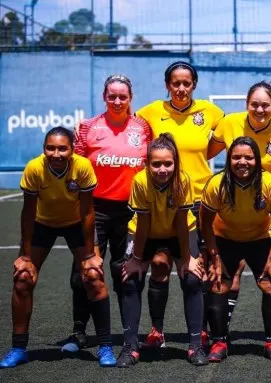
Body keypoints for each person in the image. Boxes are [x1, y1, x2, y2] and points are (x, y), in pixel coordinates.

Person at [0, 127, 115, 368]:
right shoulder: (34, 168)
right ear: (44, 149)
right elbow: (28, 212)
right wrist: (25, 255)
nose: (56, 153)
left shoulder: (82, 167)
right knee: (22, 278)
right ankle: (18, 348)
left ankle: (105, 346)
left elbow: (87, 212)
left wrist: (91, 252)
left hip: (76, 224)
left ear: (72, 150)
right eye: (50, 148)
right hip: (43, 224)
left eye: (62, 148)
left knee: (94, 277)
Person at [136, 61, 224, 348]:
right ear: (167, 85)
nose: (181, 88)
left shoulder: (209, 112)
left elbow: (224, 137)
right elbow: (129, 127)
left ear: (194, 85)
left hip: (200, 201)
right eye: (176, 83)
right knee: (160, 264)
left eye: (187, 83)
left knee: (200, 267)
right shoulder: (151, 112)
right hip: (163, 200)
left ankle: (203, 330)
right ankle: (157, 331)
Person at [61, 74, 152, 353]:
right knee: (85, 272)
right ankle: (78, 333)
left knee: (126, 273)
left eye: (122, 96)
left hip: (130, 212)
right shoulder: (88, 128)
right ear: (104, 97)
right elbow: (74, 169)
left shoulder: (143, 128)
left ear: (130, 99)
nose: (117, 101)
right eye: (112, 96)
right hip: (94, 211)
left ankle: (129, 335)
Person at [207, 81, 271, 337]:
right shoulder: (229, 123)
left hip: (270, 213)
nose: (260, 109)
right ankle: (220, 328)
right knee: (229, 272)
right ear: (246, 104)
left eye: (265, 105)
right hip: (232, 211)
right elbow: (203, 153)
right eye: (254, 104)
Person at [116, 133, 207, 367]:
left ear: (175, 163)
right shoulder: (140, 181)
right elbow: (143, 222)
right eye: (156, 164)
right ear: (147, 163)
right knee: (130, 279)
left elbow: (180, 220)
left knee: (192, 279)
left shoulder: (183, 180)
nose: (162, 169)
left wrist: (187, 259)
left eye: (168, 163)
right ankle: (130, 347)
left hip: (179, 232)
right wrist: (136, 259)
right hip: (144, 231)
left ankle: (195, 345)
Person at [201, 136, 271, 362]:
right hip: (225, 238)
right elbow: (205, 222)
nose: (243, 162)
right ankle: (219, 341)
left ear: (257, 160)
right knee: (218, 284)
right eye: (237, 157)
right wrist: (214, 255)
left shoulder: (269, 183)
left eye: (248, 157)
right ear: (229, 159)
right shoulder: (216, 183)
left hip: (259, 239)